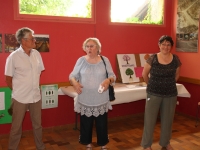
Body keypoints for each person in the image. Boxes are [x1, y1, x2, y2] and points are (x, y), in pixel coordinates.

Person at [69, 37, 116, 150]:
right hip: (85, 98)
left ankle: (103, 143)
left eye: (91, 46)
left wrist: (107, 80)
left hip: (101, 98)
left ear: (98, 48)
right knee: (86, 123)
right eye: (87, 46)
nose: (89, 48)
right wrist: (75, 83)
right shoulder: (81, 60)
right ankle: (87, 143)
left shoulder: (105, 60)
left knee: (102, 123)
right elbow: (72, 76)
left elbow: (113, 76)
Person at [5, 27, 45, 150]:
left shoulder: (37, 54)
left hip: (35, 97)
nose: (35, 40)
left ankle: (40, 147)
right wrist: (17, 92)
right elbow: (8, 79)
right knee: (16, 128)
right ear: (23, 41)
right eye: (32, 38)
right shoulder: (13, 57)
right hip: (20, 98)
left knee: (38, 125)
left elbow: (39, 73)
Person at [141, 35, 182, 150]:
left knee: (168, 120)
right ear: (159, 45)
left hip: (170, 94)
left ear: (171, 47)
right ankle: (147, 145)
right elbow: (144, 74)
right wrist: (152, 85)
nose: (166, 47)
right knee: (149, 120)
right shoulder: (152, 58)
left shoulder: (175, 59)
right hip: (153, 93)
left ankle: (165, 143)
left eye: (168, 44)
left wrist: (168, 84)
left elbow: (177, 75)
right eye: (163, 44)